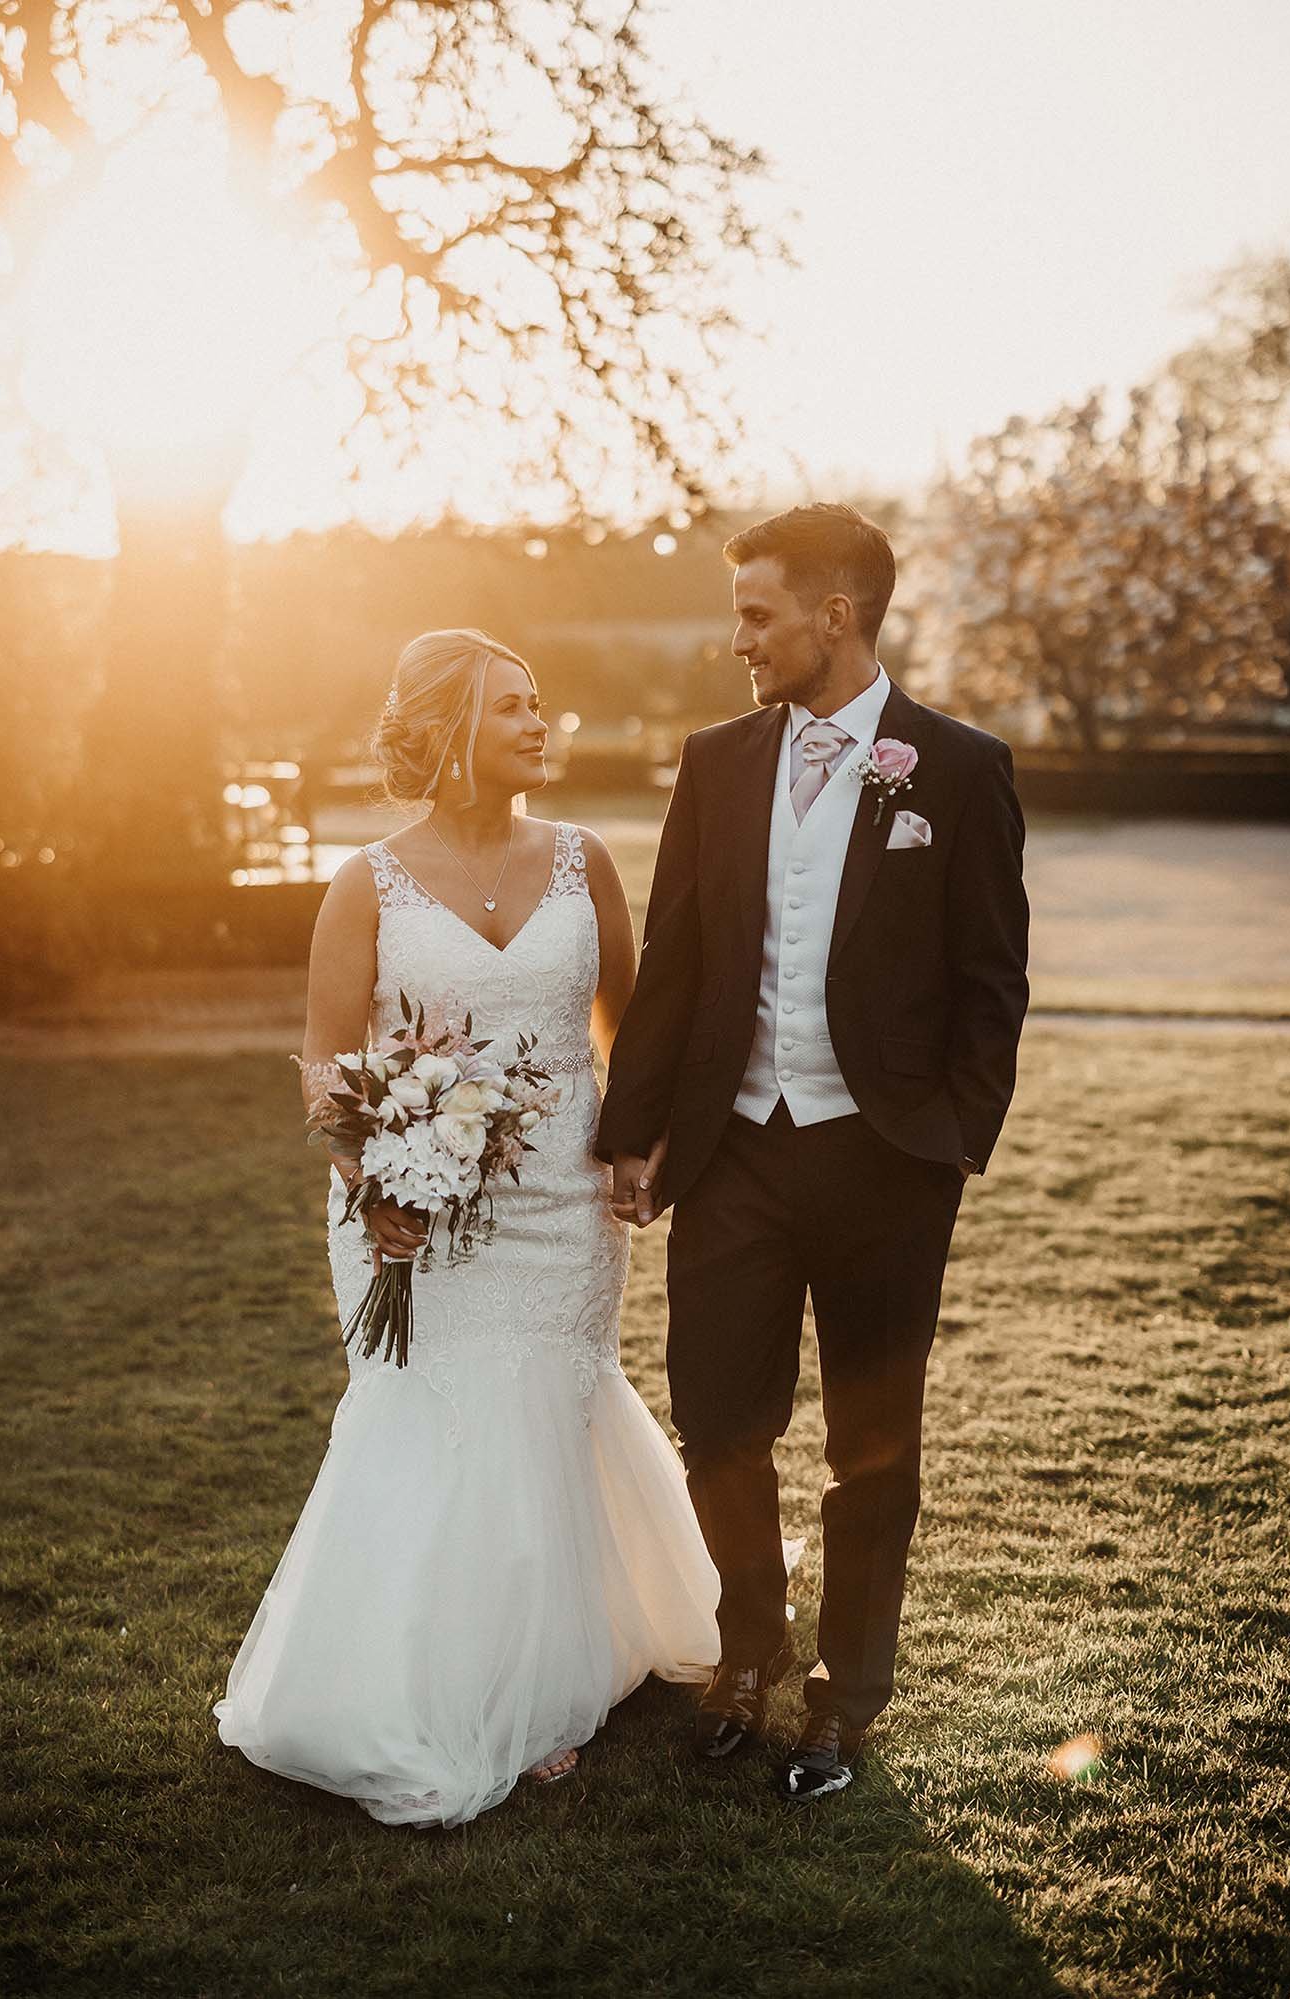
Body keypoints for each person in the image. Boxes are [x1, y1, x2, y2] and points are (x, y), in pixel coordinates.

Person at [213, 629, 719, 1828]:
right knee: (436, 1415)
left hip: (560, 1202)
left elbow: (628, 1033)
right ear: (449, 734)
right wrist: (377, 1171)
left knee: (545, 1406)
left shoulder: (583, 860)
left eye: (542, 706)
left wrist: (639, 1147)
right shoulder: (366, 883)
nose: (543, 727)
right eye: (513, 710)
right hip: (407, 1208)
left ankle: (545, 1674)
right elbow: (326, 1069)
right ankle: (444, 1681)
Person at [598, 504, 1030, 1803]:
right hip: (735, 1153)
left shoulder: (953, 768)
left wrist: (950, 1141)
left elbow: (991, 978)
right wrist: (636, 1131)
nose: (738, 640)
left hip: (887, 1164)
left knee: (871, 1443)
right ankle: (748, 1648)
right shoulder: (718, 760)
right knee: (719, 1423)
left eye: (756, 613)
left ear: (834, 615)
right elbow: (674, 958)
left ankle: (847, 1695)